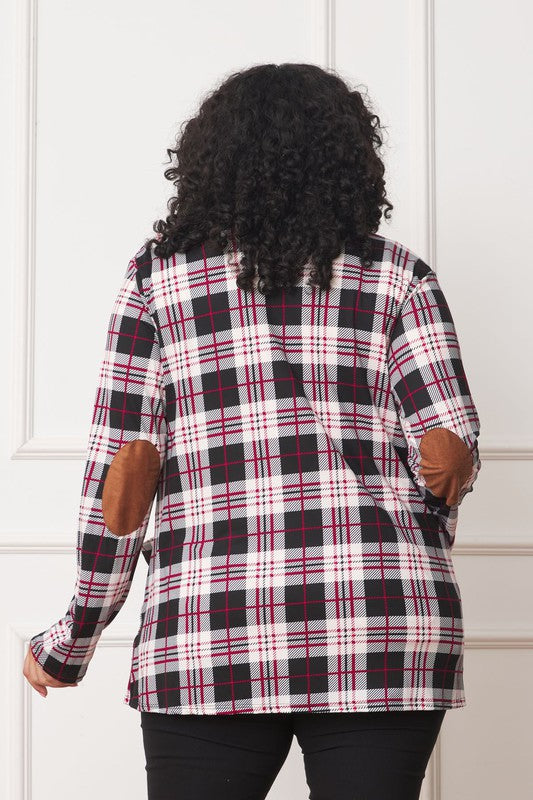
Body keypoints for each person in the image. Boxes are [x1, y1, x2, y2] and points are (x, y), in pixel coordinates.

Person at [23, 63, 481, 799]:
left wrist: (73, 637)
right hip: (382, 627)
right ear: (349, 160)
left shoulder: (159, 281)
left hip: (207, 632)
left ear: (210, 162)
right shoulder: (399, 277)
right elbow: (447, 460)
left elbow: (124, 482)